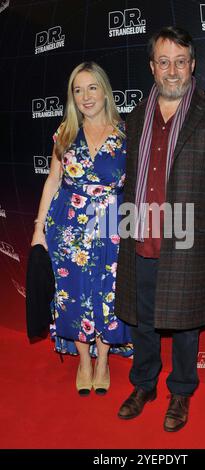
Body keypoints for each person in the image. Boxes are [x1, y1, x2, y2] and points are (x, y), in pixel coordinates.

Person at [115, 26, 205, 431]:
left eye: (180, 62)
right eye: (164, 62)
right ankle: (143, 384)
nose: (173, 71)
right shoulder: (135, 116)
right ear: (152, 66)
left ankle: (181, 391)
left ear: (193, 65)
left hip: (189, 236)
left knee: (186, 324)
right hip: (140, 233)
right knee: (142, 319)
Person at [31, 61, 132, 397]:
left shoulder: (126, 133)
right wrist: (38, 229)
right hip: (67, 227)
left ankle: (102, 360)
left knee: (107, 294)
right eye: (78, 90)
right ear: (72, 97)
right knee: (71, 292)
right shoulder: (64, 133)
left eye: (92, 87)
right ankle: (83, 360)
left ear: (105, 90)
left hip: (111, 226)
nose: (85, 96)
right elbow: (53, 180)